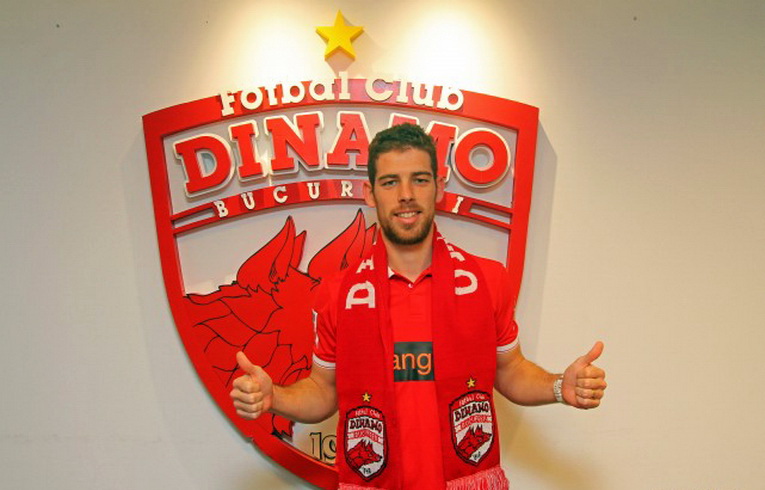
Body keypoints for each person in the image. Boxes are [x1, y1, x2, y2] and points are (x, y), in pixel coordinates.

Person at [230, 123, 607, 489]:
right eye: (390, 182)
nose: (406, 194)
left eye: (420, 180)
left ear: (439, 187)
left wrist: (559, 385)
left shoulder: (487, 280)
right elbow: (323, 390)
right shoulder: (337, 293)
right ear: (370, 193)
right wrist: (275, 397)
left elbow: (509, 370)